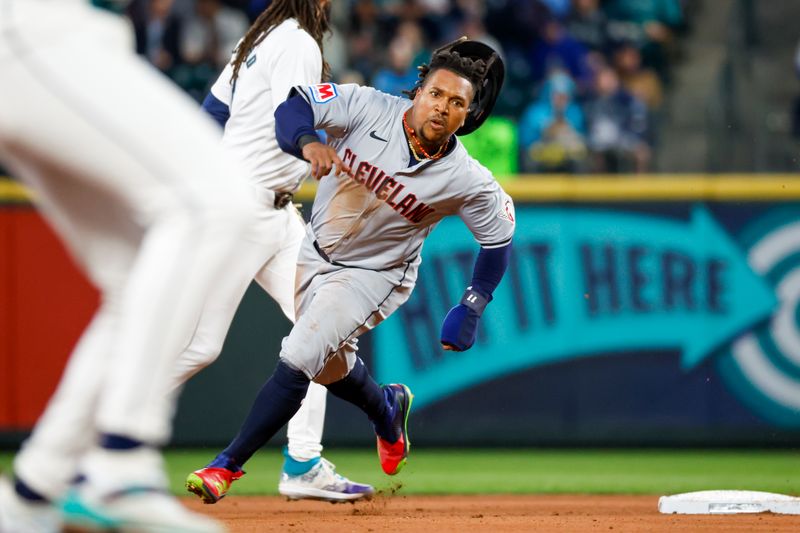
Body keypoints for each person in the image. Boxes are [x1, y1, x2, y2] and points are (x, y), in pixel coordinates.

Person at [185, 37, 515, 502]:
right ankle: (386, 408)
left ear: (468, 115)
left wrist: (474, 304)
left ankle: (226, 466)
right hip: (313, 252)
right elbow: (295, 106)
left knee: (301, 352)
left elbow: (498, 238)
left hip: (376, 275)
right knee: (327, 366)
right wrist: (306, 141)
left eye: (456, 102)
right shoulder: (365, 105)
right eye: (437, 94)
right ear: (418, 90)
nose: (442, 107)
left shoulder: (467, 178)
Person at [0, 1, 258, 532]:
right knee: (216, 201)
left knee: (136, 271)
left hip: (55, 40)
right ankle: (119, 466)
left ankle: (37, 489)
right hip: (30, 30)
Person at [174, 0, 372, 503]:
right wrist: (310, 144)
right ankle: (100, 435)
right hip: (242, 207)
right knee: (199, 346)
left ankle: (303, 461)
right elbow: (291, 119)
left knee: (323, 330)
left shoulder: (256, 39)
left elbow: (213, 111)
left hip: (276, 215)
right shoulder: (297, 43)